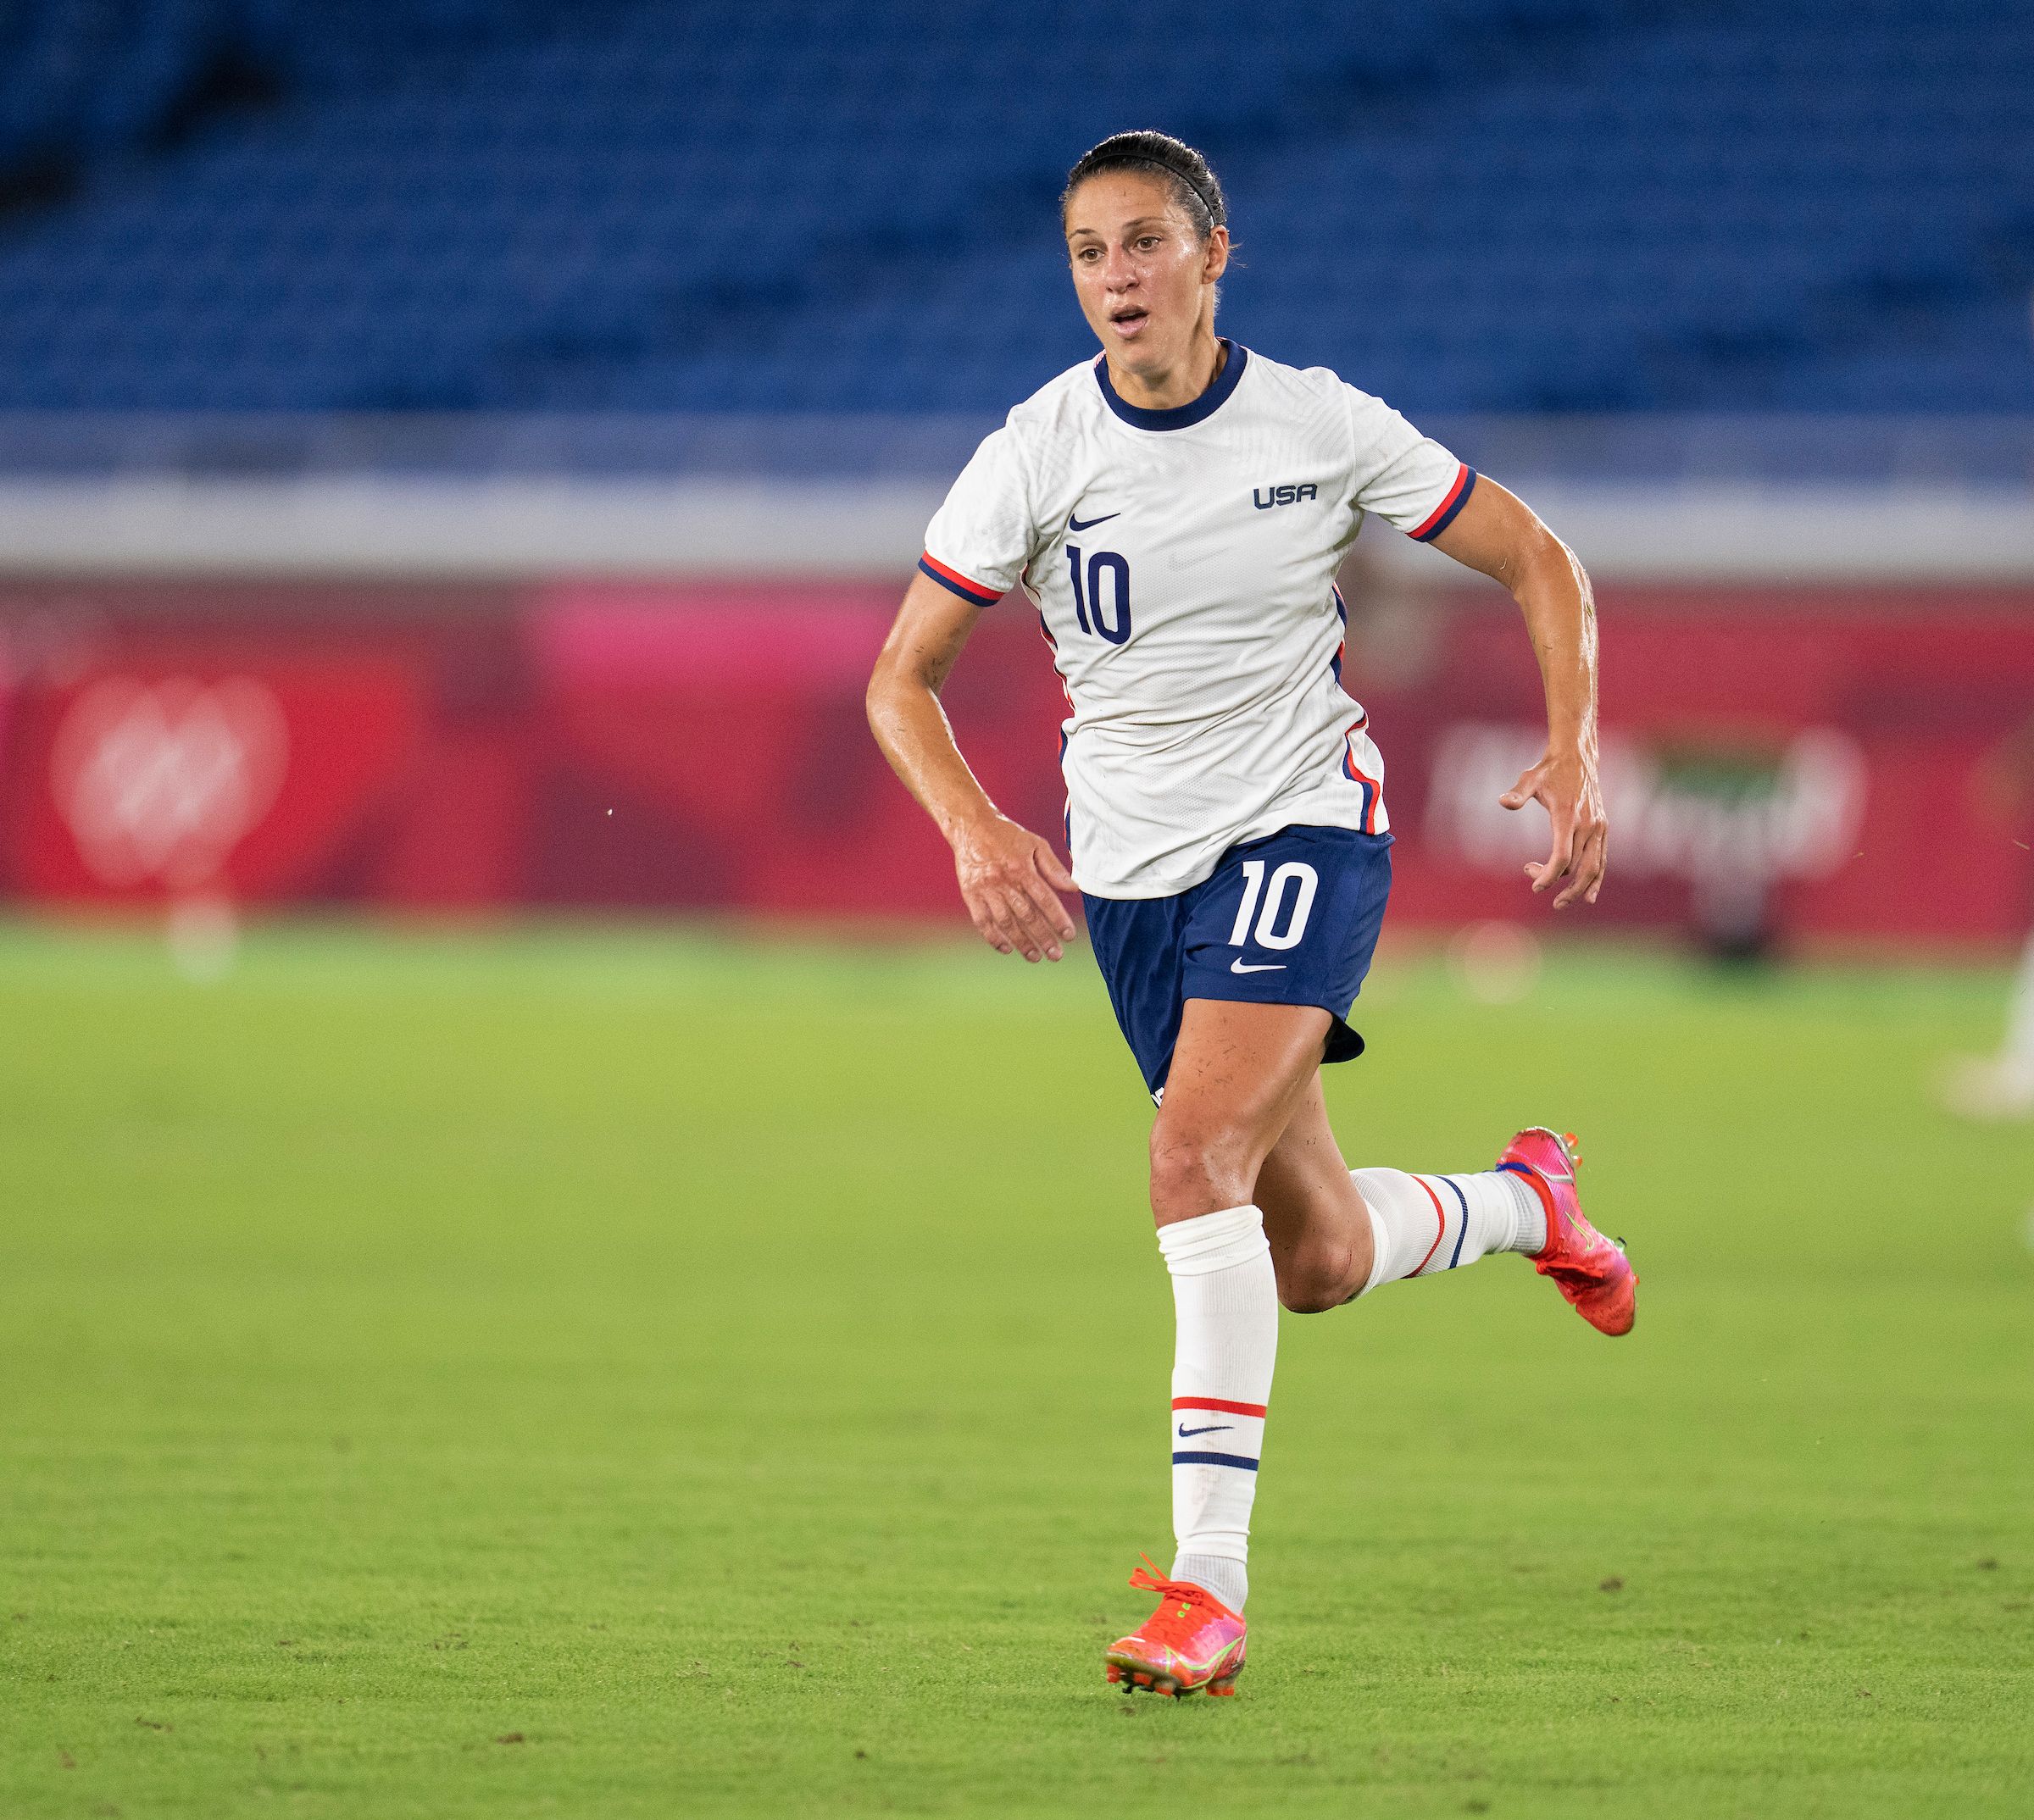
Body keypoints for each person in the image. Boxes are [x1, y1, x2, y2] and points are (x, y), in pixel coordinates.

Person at [865, 130, 1631, 1700]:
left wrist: (1573, 744)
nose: (1115, 278)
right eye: (1088, 252)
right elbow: (902, 678)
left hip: (1301, 824)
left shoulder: (1318, 423)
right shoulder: (1036, 449)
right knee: (1321, 1258)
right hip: (1135, 879)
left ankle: (1203, 1595)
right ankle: (1527, 1203)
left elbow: (1538, 558)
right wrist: (974, 824)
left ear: (1217, 255)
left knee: (1186, 1158)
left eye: (1145, 243)